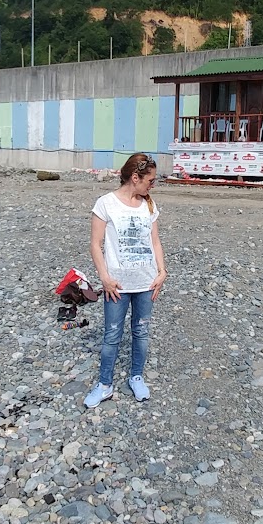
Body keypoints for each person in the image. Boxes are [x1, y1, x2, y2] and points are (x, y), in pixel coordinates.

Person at [83, 153, 167, 407]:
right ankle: (105, 384)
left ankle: (136, 377)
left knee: (141, 332)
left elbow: (155, 241)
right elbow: (95, 245)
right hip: (117, 285)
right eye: (150, 180)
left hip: (146, 283)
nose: (153, 185)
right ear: (134, 177)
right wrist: (105, 278)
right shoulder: (106, 203)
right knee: (112, 335)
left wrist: (162, 271)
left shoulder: (149, 205)